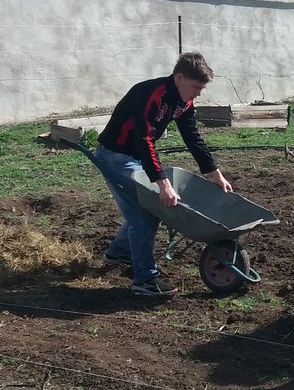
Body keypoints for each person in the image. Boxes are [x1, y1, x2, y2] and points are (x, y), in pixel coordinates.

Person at [95, 52, 232, 297]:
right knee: (146, 213)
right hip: (116, 155)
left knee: (148, 207)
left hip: (134, 157)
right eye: (196, 87)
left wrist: (215, 174)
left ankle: (119, 253)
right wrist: (163, 183)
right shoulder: (151, 94)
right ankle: (145, 280)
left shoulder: (183, 102)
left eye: (201, 89)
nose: (198, 93)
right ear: (179, 77)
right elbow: (144, 138)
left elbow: (193, 138)